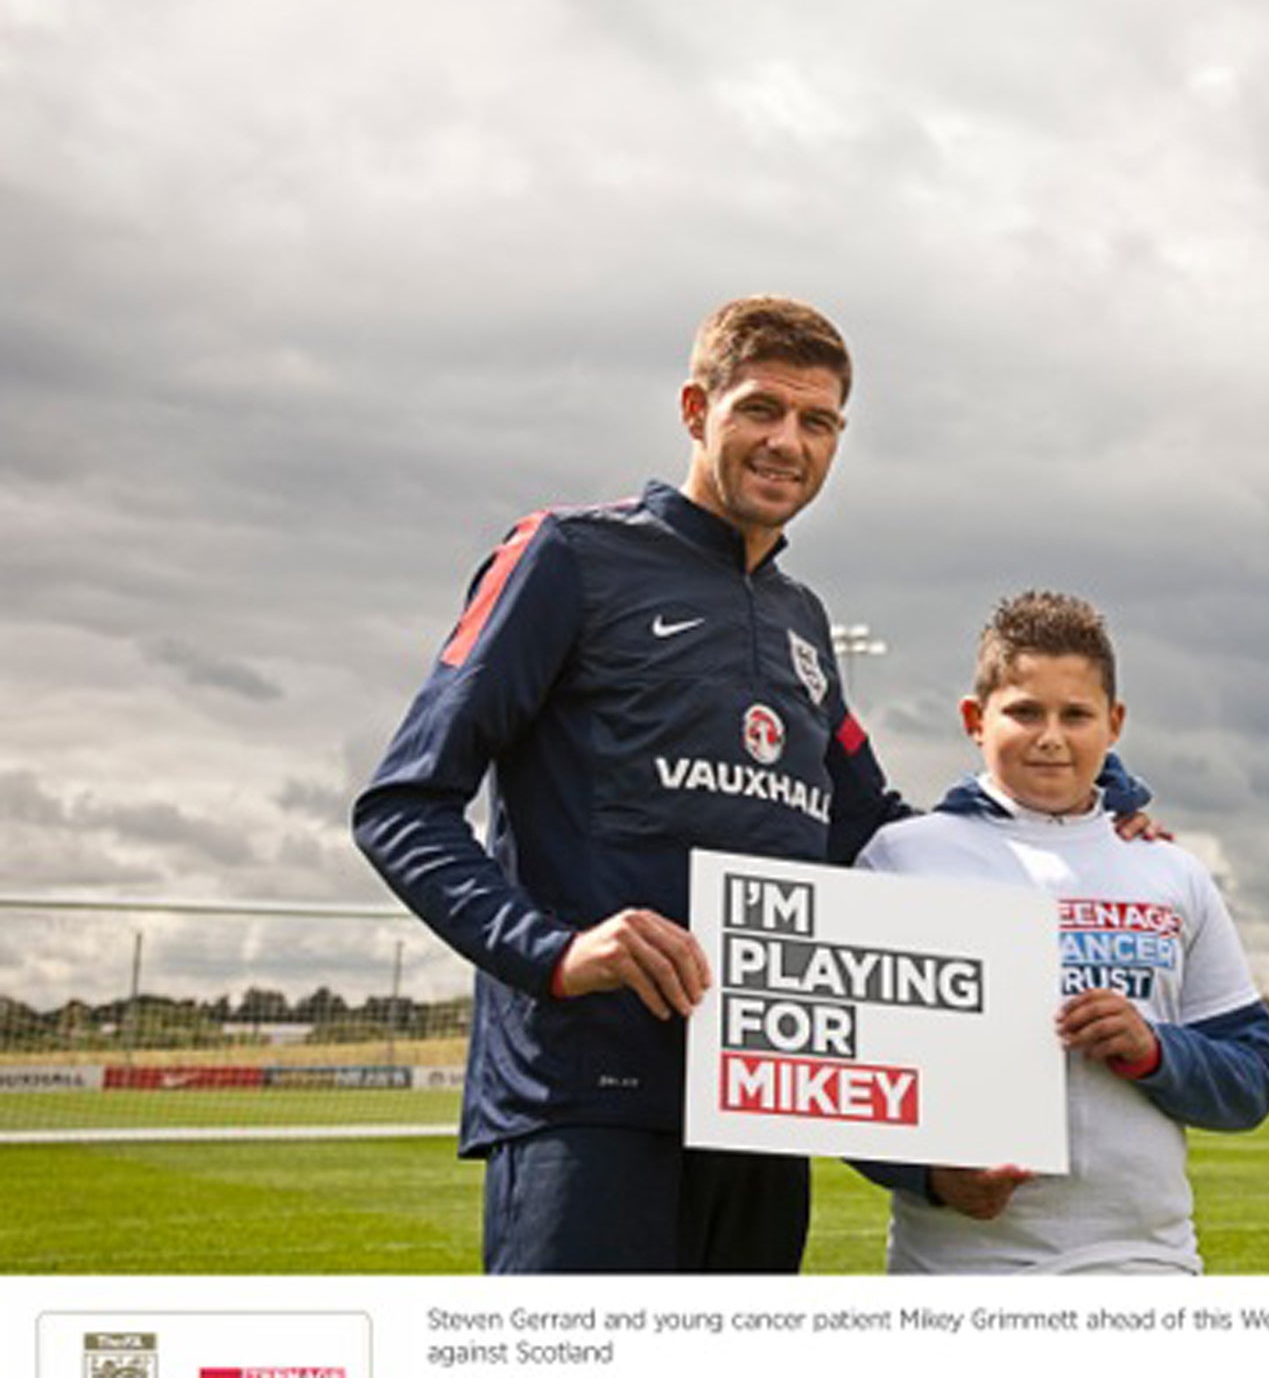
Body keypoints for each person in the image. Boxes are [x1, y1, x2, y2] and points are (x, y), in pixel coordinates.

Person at [351, 298, 1147, 1274]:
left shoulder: (804, 622)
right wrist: (554, 952)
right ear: (696, 409)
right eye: (759, 409)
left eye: (817, 423)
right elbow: (403, 807)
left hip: (763, 1105)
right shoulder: (567, 557)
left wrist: (1082, 817)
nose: (787, 442)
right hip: (586, 1103)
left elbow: (879, 835)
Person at [856, 590, 1269, 1274]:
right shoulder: (905, 857)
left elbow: (1254, 1080)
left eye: (1076, 715)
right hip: (959, 1268)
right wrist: (929, 1176)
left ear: (1114, 724)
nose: (1051, 736)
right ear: (975, 719)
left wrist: (1153, 1051)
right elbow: (840, 1077)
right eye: (1024, 711)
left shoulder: (1170, 871)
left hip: (1146, 1267)